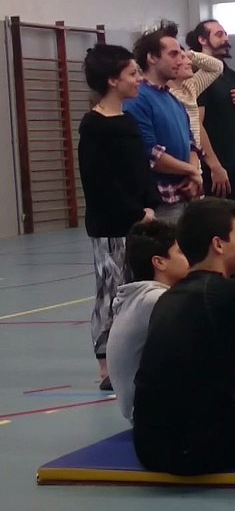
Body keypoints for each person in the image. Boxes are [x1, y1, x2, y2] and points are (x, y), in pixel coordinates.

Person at [130, 198, 235, 475]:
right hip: (194, 449)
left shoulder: (168, 297)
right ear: (218, 244)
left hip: (148, 446)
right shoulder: (234, 292)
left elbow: (212, 381)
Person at [78, 43, 160, 390]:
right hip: (112, 224)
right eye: (131, 74)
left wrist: (149, 204)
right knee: (110, 290)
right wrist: (132, 211)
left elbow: (139, 170)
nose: (138, 78)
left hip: (140, 219)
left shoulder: (126, 120)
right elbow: (100, 183)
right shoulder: (94, 126)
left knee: (138, 288)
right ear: (112, 80)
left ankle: (137, 355)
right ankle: (106, 364)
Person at [106, 221, 188, 423]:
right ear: (159, 262)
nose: (189, 258)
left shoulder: (141, 297)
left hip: (147, 409)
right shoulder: (156, 300)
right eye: (181, 252)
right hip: (155, 416)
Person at [125, 29, 203, 225]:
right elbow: (151, 153)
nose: (180, 59)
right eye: (173, 54)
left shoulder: (173, 99)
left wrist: (193, 173)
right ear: (152, 57)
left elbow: (192, 144)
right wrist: (192, 171)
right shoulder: (138, 99)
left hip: (185, 195)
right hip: (162, 201)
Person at [188, 19, 235, 206]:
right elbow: (196, 123)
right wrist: (215, 166)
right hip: (213, 167)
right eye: (219, 34)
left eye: (225, 34)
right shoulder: (199, 76)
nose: (225, 39)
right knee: (219, 224)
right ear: (202, 40)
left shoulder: (232, 76)